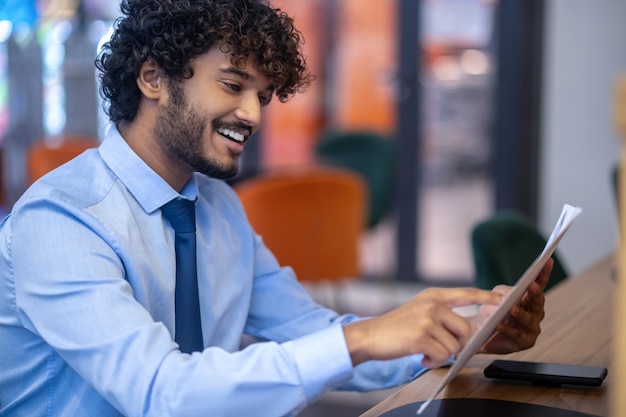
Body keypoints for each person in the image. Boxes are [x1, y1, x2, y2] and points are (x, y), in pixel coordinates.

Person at [0, 1, 552, 416]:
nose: (253, 114)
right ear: (152, 78)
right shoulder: (60, 222)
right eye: (233, 85)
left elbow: (311, 331)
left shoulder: (216, 208)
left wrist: (468, 335)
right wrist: (360, 339)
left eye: (262, 95)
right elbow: (161, 393)